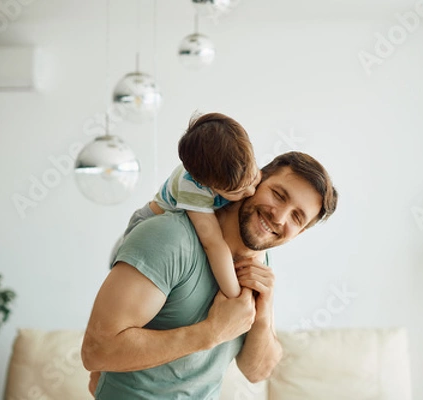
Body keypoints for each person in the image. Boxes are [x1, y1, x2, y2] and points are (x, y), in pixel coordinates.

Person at [82, 151, 338, 399]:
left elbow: (257, 371)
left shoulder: (260, 263)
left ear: (300, 232)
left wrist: (263, 312)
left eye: (296, 217)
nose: (279, 216)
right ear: (257, 180)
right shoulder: (169, 238)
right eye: (279, 195)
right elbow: (97, 351)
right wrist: (212, 332)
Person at [109, 112, 261, 299]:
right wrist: (236, 296)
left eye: (254, 178)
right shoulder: (193, 188)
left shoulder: (241, 163)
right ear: (208, 185)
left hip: (180, 229)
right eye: (237, 192)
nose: (251, 192)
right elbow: (214, 245)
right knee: (128, 282)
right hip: (147, 224)